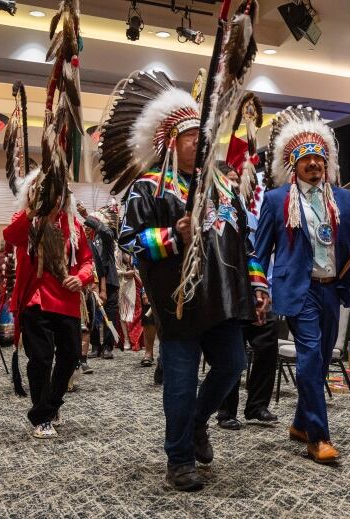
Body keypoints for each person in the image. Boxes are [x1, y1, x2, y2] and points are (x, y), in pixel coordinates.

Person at [101, 71, 263, 491]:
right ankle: (179, 459)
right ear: (172, 142)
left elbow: (245, 241)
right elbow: (129, 243)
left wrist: (258, 285)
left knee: (232, 366)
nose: (199, 143)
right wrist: (173, 237)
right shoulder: (149, 188)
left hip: (224, 300)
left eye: (202, 137)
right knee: (179, 381)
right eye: (191, 137)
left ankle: (196, 423)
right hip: (179, 303)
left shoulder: (224, 187)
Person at [255, 106, 350, 463]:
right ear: (294, 166)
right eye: (307, 161)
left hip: (333, 288)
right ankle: (318, 438)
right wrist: (258, 287)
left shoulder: (344, 200)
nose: (314, 165)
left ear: (326, 163)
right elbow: (258, 253)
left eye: (319, 159)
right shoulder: (276, 201)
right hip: (299, 290)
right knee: (309, 358)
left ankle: (301, 422)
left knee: (318, 363)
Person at [3, 202, 94, 439]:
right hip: (35, 300)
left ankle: (51, 406)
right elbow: (10, 236)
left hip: (66, 300)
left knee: (71, 355)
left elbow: (87, 260)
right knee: (41, 358)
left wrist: (81, 277)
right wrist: (31, 211)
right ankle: (42, 417)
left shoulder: (73, 224)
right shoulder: (26, 218)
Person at [216, 165, 279, 430]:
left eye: (234, 181)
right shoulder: (214, 213)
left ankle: (257, 405)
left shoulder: (249, 216)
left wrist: (262, 288)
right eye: (227, 181)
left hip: (252, 291)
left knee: (267, 342)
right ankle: (226, 412)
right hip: (226, 296)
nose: (232, 186)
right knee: (233, 353)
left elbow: (253, 252)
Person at [77, 203, 119, 359]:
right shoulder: (87, 242)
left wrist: (86, 215)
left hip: (109, 281)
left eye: (90, 224)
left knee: (110, 315)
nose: (86, 227)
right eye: (85, 225)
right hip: (92, 283)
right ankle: (95, 346)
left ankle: (108, 347)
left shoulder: (105, 237)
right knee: (92, 313)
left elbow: (107, 232)